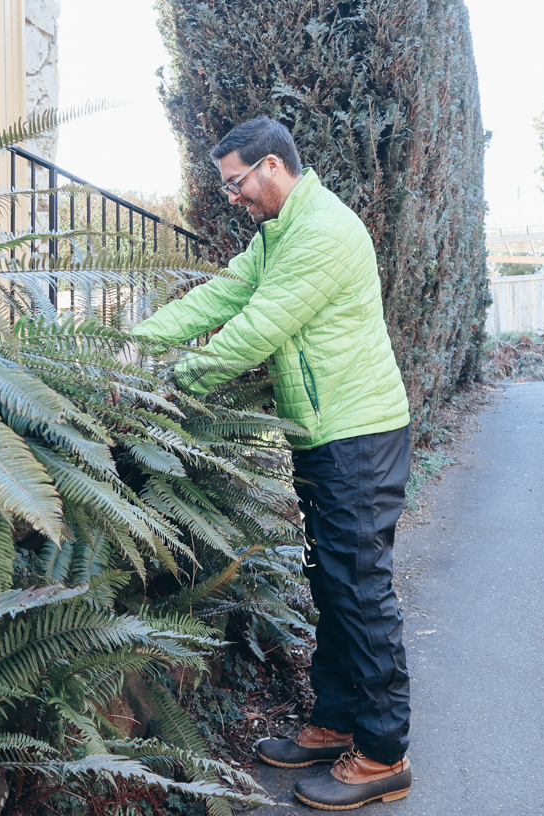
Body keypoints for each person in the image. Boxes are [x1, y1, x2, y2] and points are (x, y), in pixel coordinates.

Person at [131, 116, 413, 810]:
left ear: (271, 169)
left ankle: (382, 753)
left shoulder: (322, 232)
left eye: (235, 183)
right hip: (325, 434)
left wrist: (175, 380)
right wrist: (132, 341)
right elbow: (226, 294)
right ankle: (338, 720)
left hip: (358, 435)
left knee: (359, 589)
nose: (231, 197)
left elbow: (259, 326)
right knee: (333, 583)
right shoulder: (281, 231)